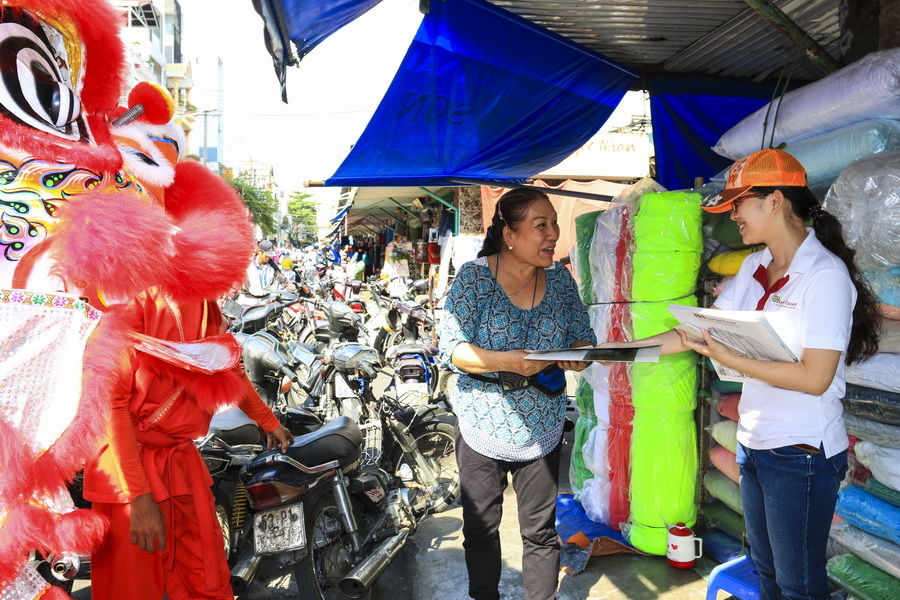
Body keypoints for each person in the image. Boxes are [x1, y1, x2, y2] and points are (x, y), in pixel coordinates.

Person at [616, 148, 879, 600]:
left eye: (738, 203)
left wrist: (731, 359)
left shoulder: (824, 275)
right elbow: (693, 334)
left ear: (775, 200)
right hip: (755, 444)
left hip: (802, 454)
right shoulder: (755, 267)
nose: (733, 214)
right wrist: (608, 351)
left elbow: (815, 378)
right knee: (769, 574)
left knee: (800, 585)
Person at [83, 289, 294, 600]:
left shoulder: (205, 301)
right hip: (126, 470)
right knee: (132, 588)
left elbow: (225, 365)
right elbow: (110, 404)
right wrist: (138, 500)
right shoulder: (129, 299)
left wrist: (268, 420)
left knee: (203, 574)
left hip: (181, 460)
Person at [438, 188, 596, 600]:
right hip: (481, 421)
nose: (553, 235)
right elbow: (451, 348)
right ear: (509, 234)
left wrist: (579, 357)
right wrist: (503, 361)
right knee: (480, 528)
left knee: (541, 533)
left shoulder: (560, 280)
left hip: (541, 421)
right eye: (540, 225)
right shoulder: (474, 278)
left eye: (554, 224)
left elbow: (583, 337)